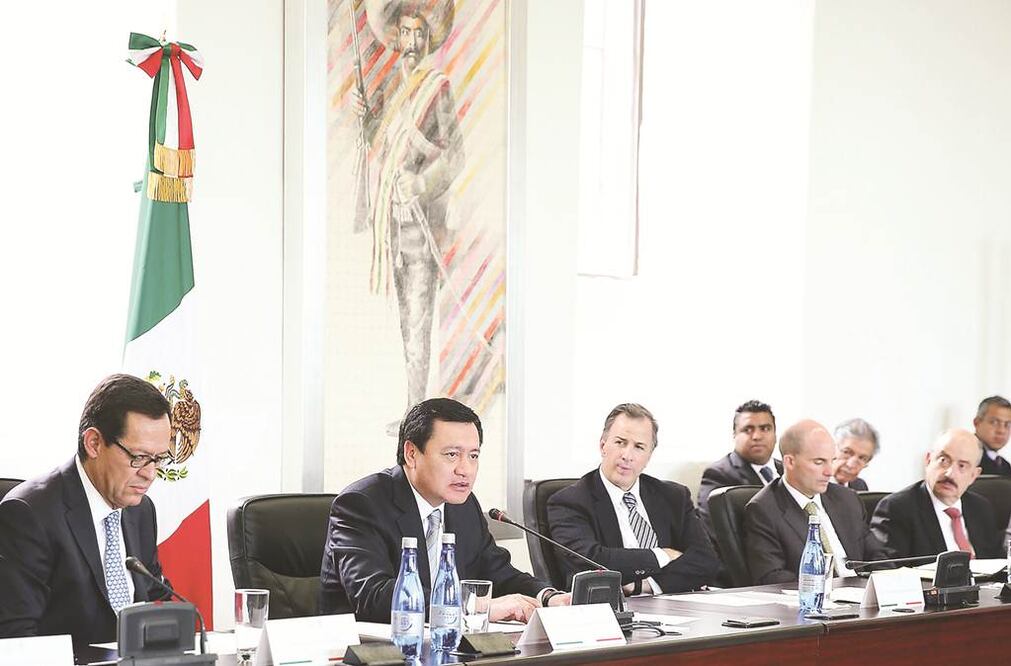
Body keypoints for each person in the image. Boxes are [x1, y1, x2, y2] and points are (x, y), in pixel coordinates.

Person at [320, 398, 569, 622]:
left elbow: (498, 572)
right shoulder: (362, 504)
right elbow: (373, 597)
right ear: (411, 453)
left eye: (473, 456)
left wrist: (548, 597)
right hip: (369, 653)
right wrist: (476, 606)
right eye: (452, 455)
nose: (466, 469)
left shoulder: (463, 506)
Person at [0, 374, 173, 646]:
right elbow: (16, 641)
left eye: (158, 459)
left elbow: (153, 598)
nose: (150, 474)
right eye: (139, 458)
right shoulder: (29, 514)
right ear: (94, 443)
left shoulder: (141, 510)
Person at [354, 0, 465, 412]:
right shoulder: (392, 90)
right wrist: (366, 119)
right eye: (405, 33)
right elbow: (382, 146)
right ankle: (410, 409)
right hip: (392, 231)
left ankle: (417, 413)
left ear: (428, 38)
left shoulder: (437, 87)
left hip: (421, 228)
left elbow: (455, 157)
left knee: (419, 324)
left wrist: (419, 182)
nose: (412, 41)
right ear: (395, 39)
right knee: (401, 324)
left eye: (419, 33)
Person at [546, 404, 719, 595]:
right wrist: (660, 555)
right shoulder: (570, 501)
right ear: (603, 446)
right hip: (608, 611)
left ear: (649, 456)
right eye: (620, 442)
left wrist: (642, 586)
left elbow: (706, 560)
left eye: (639, 447)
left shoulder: (673, 496)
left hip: (674, 607)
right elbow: (590, 561)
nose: (627, 455)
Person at [743, 420, 885, 585]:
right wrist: (831, 591)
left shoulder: (847, 499)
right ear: (790, 462)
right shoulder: (764, 509)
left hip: (861, 596)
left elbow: (877, 558)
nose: (829, 471)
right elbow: (772, 577)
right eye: (819, 462)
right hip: (816, 602)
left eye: (832, 461)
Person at [870, 429, 1001, 559]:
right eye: (944, 460)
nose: (950, 473)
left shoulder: (981, 508)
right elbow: (887, 571)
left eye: (962, 466)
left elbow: (998, 564)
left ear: (974, 475)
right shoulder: (897, 508)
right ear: (928, 460)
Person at [698, 400, 783, 536]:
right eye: (748, 430)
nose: (757, 436)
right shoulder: (718, 474)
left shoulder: (788, 470)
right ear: (734, 435)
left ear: (775, 434)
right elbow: (717, 535)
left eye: (765, 429)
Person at [831, 418, 879, 490]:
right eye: (846, 452)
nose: (851, 465)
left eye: (862, 458)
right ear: (832, 449)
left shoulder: (860, 486)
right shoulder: (812, 484)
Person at [973, 396, 1011, 476]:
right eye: (994, 422)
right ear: (977, 423)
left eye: (1007, 424)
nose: (1001, 431)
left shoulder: (1005, 466)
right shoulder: (965, 459)